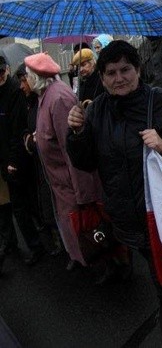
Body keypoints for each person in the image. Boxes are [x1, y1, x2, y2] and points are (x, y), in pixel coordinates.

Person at [66, 40, 162, 346]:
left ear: (138, 70)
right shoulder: (98, 109)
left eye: (125, 69)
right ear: (101, 78)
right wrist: (76, 134)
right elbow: (86, 162)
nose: (119, 78)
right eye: (111, 72)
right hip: (128, 220)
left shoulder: (160, 101)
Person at [24, 53, 102, 270]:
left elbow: (71, 149)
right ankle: (82, 257)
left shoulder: (58, 98)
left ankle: (97, 261)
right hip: (60, 182)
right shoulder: (45, 96)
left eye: (28, 76)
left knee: (86, 226)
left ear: (37, 77)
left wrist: (82, 191)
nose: (26, 81)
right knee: (72, 224)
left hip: (70, 182)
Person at [0, 56, 46, 265]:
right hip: (6, 159)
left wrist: (13, 161)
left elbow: (18, 131)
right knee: (19, 206)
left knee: (22, 206)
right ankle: (21, 242)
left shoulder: (14, 93)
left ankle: (37, 247)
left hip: (16, 160)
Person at [14, 64, 62, 256]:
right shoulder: (32, 102)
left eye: (24, 80)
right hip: (38, 164)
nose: (22, 86)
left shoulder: (50, 100)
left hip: (51, 165)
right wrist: (28, 137)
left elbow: (51, 136)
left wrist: (33, 141)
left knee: (55, 204)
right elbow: (27, 128)